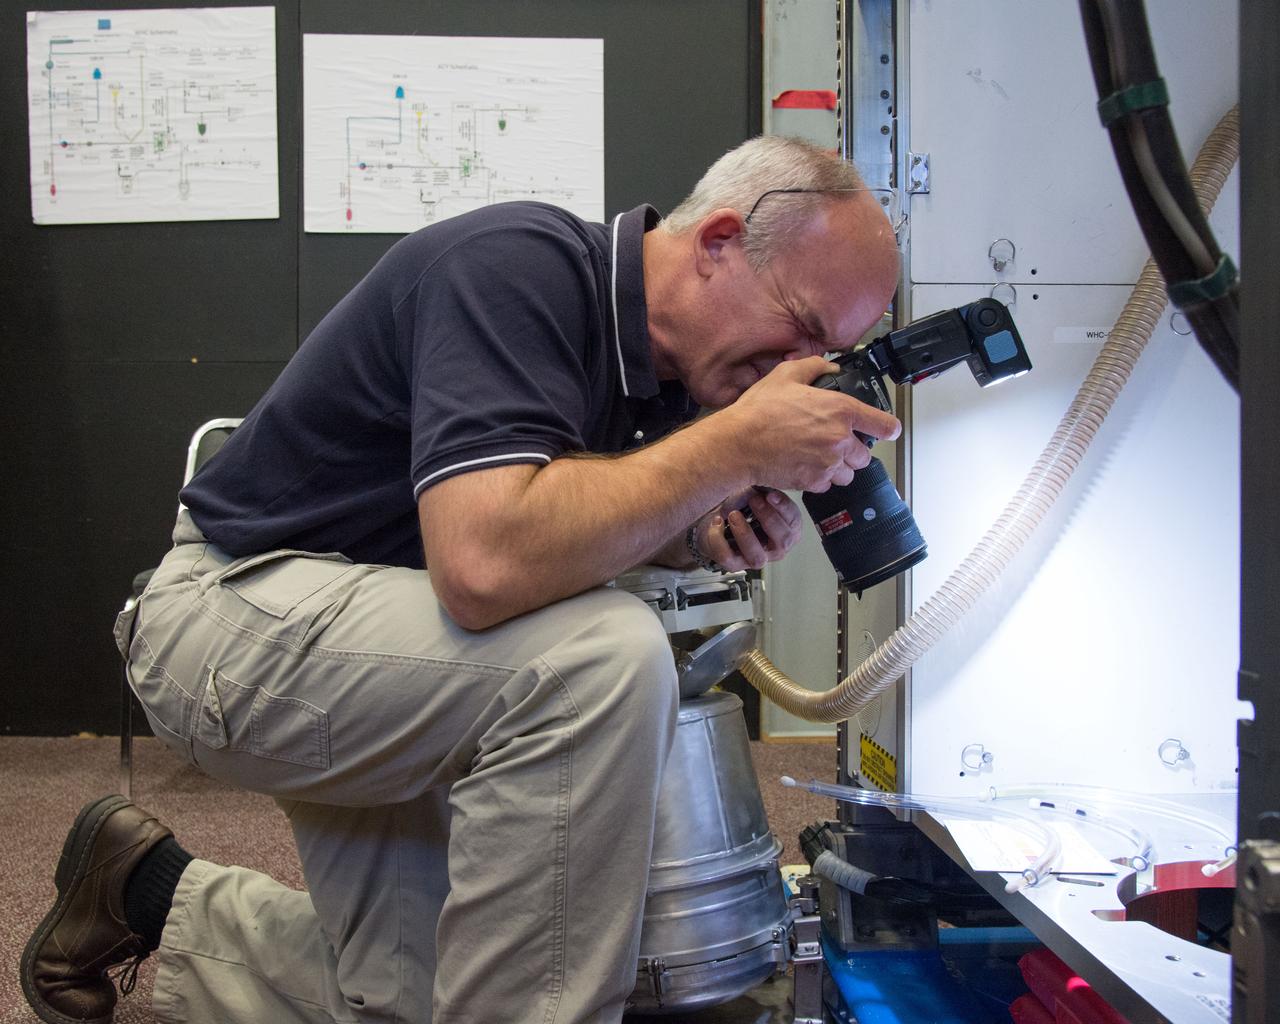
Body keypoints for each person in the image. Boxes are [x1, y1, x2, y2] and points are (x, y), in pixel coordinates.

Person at [21, 135, 900, 1024]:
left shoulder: (677, 386)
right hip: (230, 612)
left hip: (388, 646)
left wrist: (684, 530)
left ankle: (146, 892)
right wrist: (729, 449)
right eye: (805, 326)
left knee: (435, 991)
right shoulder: (517, 268)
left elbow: (544, 532)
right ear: (716, 242)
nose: (805, 370)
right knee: (599, 659)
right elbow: (483, 567)